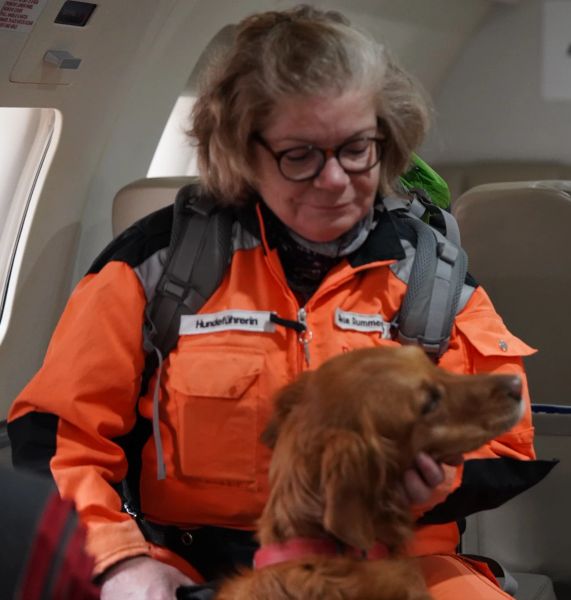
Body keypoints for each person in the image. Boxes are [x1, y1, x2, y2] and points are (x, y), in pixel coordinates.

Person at [6, 6, 536, 600]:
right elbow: (59, 437)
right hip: (192, 571)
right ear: (244, 150)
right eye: (300, 155)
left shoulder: (434, 278)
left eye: (356, 148)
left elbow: (508, 442)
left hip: (397, 565)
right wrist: (119, 560)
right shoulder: (156, 265)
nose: (335, 179)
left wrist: (432, 482)